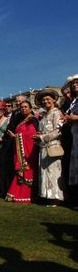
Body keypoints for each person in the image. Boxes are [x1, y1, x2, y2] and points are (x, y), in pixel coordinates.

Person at [32, 89, 65, 207]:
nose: (45, 101)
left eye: (48, 99)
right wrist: (37, 137)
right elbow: (41, 131)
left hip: (53, 146)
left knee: (54, 172)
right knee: (45, 172)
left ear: (54, 100)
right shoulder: (43, 115)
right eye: (43, 100)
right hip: (43, 147)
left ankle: (57, 198)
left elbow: (58, 131)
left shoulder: (57, 113)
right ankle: (47, 196)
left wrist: (42, 137)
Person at [5, 101, 39, 203]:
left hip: (30, 151)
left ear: (30, 108)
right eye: (21, 107)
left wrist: (15, 136)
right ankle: (17, 193)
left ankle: (27, 194)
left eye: (25, 107)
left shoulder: (33, 120)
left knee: (27, 170)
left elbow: (31, 134)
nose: (23, 109)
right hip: (21, 149)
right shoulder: (22, 120)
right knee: (21, 171)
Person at [61, 74, 78, 210]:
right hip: (74, 136)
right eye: (72, 84)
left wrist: (73, 117)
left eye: (77, 83)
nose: (74, 85)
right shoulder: (73, 102)